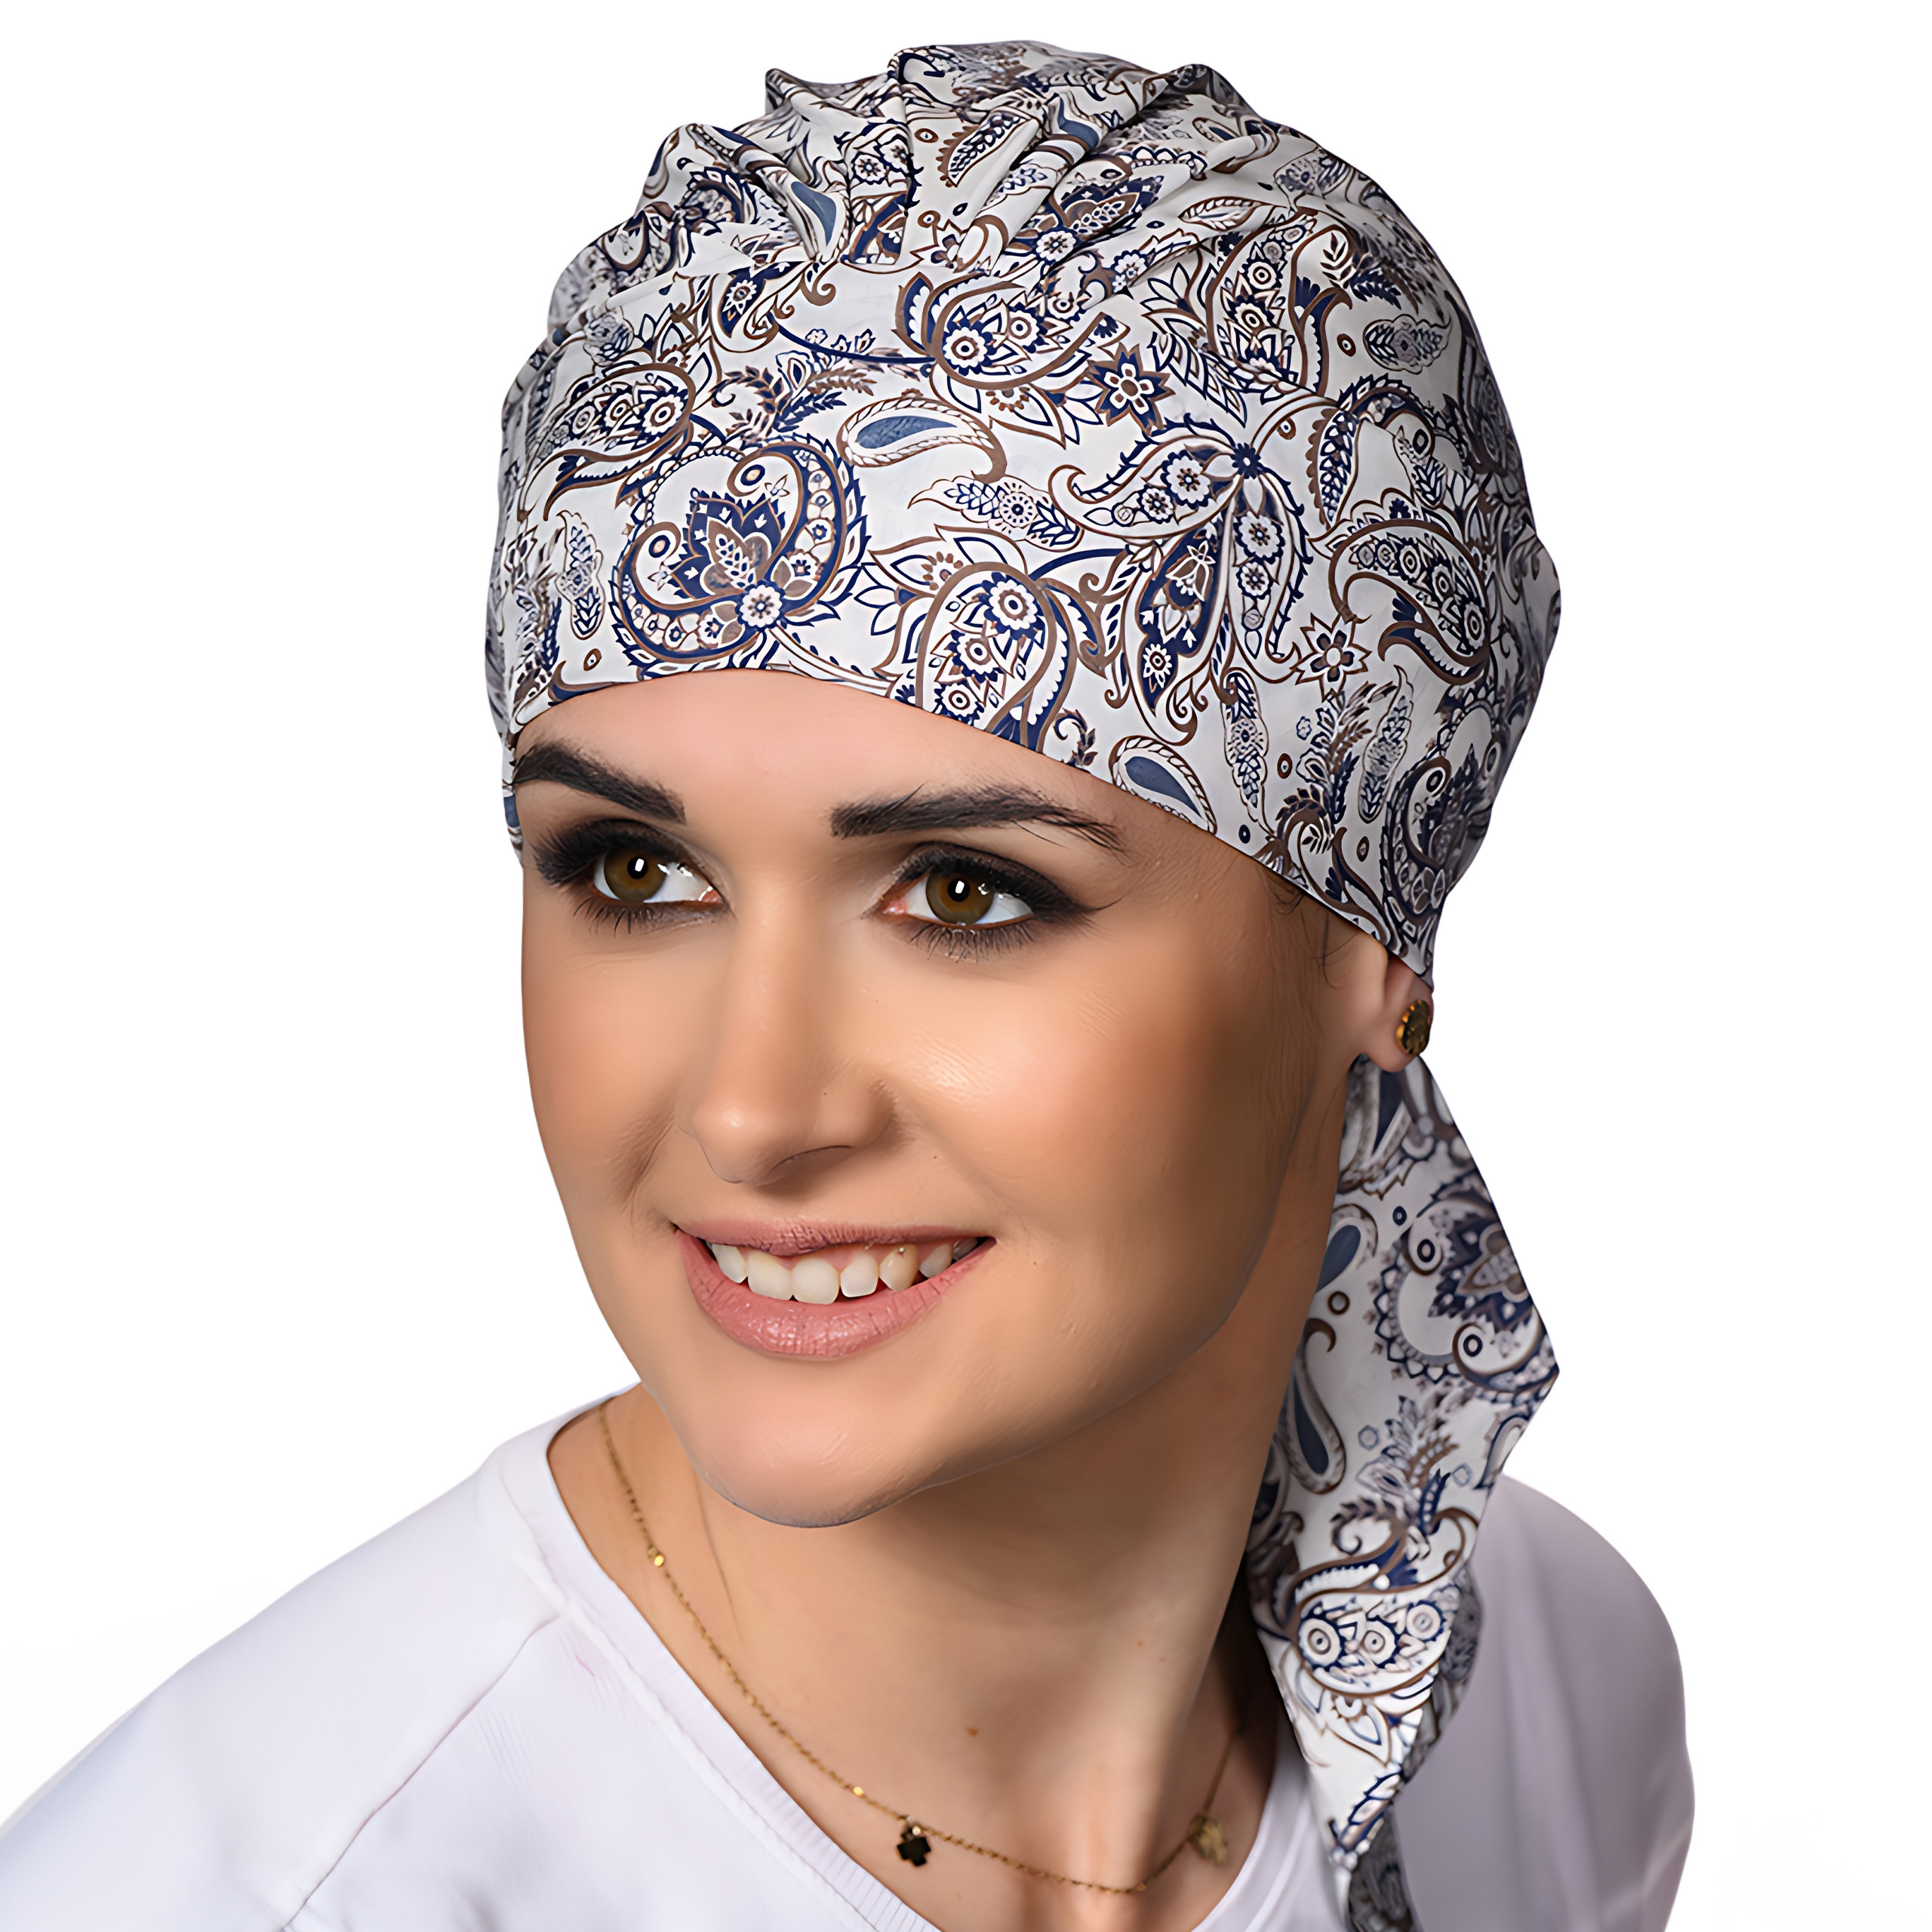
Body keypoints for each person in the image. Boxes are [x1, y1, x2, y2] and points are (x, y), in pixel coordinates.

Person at [0, 41, 1692, 1932]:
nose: (751, 1104)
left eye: (963, 892)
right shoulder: (273, 1887)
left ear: (1371, 939)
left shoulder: (1545, 1700)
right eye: (631, 870)